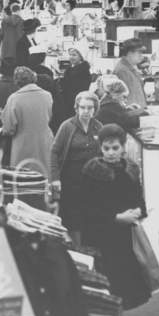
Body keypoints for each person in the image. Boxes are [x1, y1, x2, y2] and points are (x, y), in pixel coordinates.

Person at [80, 124, 150, 310]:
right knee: (106, 287)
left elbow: (139, 198)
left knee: (125, 288)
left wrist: (138, 211)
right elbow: (87, 208)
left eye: (115, 148)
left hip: (125, 237)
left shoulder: (131, 169)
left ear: (123, 147)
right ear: (100, 148)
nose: (110, 153)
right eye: (106, 148)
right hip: (102, 235)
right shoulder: (92, 171)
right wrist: (116, 217)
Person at [51, 91, 102, 245]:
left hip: (92, 179)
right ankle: (75, 249)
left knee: (91, 213)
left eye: (90, 108)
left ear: (95, 109)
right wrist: (55, 179)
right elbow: (54, 151)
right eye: (83, 107)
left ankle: (90, 249)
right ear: (76, 108)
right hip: (71, 178)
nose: (86, 111)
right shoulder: (67, 126)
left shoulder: (98, 127)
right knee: (73, 217)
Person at [1, 67, 53, 176]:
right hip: (44, 142)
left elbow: (8, 129)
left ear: (16, 81)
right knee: (43, 177)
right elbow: (49, 116)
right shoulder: (47, 95)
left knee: (24, 180)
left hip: (23, 145)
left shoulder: (14, 98)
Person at [59, 47, 92, 122]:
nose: (71, 57)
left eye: (74, 55)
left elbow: (75, 89)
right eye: (70, 55)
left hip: (73, 104)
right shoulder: (72, 69)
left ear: (81, 57)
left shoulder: (82, 72)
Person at [113, 38, 147, 109]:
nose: (142, 56)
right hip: (133, 114)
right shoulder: (123, 71)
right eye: (139, 52)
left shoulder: (129, 68)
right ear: (129, 53)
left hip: (137, 112)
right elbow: (128, 98)